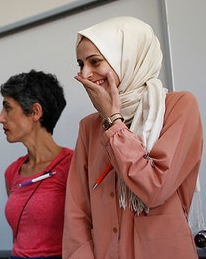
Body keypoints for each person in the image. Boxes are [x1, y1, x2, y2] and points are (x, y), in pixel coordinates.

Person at [63, 16, 203, 258]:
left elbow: (154, 188)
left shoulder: (179, 106)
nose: (85, 74)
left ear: (126, 59)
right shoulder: (89, 127)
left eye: (94, 61)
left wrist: (112, 121)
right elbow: (77, 213)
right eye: (80, 64)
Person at [0, 70, 72, 259]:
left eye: (7, 108)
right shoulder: (12, 171)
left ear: (35, 112)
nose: (0, 118)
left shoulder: (73, 165)